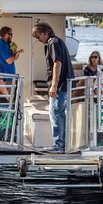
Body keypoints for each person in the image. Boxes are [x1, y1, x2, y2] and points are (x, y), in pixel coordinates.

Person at [32, 22, 75, 154]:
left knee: (55, 113)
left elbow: (57, 63)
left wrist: (54, 85)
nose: (38, 40)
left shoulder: (53, 43)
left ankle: (59, 145)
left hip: (60, 85)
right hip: (65, 84)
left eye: (38, 36)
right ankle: (64, 144)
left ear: (44, 33)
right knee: (60, 113)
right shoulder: (58, 42)